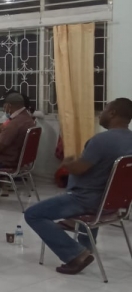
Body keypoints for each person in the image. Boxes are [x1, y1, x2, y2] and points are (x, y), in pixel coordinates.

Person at [25, 98, 132, 275]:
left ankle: (76, 254)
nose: (102, 113)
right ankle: (85, 247)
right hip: (114, 203)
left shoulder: (101, 141)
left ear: (113, 113)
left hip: (86, 201)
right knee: (94, 191)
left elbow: (80, 169)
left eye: (105, 109)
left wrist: (68, 162)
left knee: (33, 214)